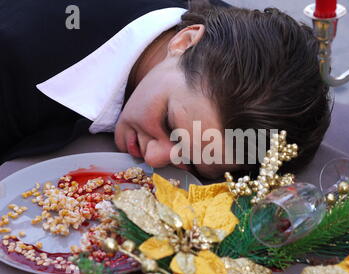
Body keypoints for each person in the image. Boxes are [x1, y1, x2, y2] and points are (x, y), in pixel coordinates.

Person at [0, 0, 330, 179]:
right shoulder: (14, 50)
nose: (155, 158)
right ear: (184, 41)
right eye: (170, 125)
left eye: (190, 162)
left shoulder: (239, 41)